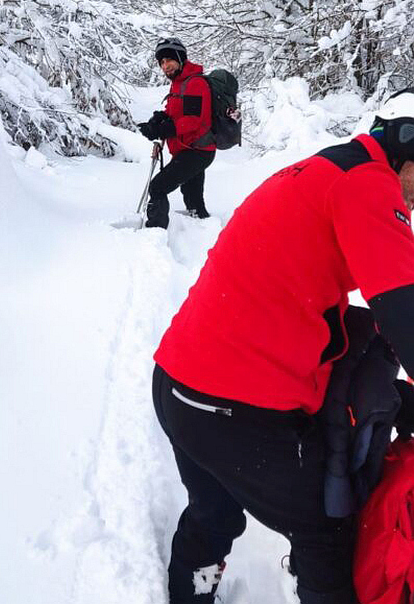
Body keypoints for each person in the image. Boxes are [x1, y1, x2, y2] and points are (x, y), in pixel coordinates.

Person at [152, 88, 414, 604]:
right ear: (404, 158)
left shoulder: (320, 171)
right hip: (233, 407)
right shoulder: (367, 181)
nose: (413, 201)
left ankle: (189, 592)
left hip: (179, 386)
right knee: (324, 527)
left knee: (215, 511)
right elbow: (403, 308)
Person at [138, 38, 215, 228]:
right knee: (192, 198)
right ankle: (202, 230)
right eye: (162, 63)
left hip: (197, 151)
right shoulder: (178, 84)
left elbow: (193, 120)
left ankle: (155, 231)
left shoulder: (195, 83)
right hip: (189, 149)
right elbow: (177, 113)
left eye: (169, 60)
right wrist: (160, 118)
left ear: (180, 58)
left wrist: (163, 129)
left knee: (157, 187)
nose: (165, 66)